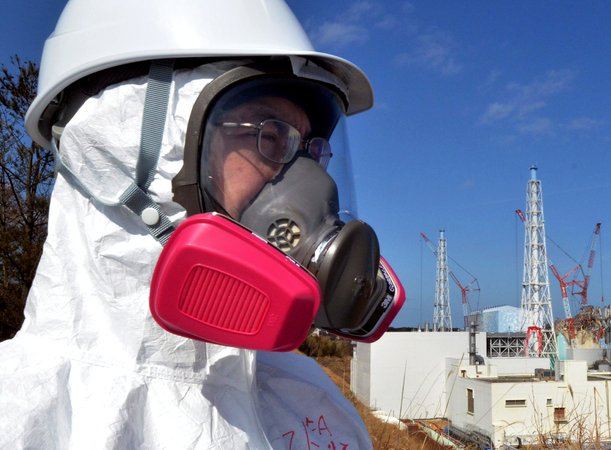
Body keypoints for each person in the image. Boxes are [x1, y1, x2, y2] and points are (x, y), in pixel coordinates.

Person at [0, 0, 403, 448]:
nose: (311, 183)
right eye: (271, 136)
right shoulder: (20, 420)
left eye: (311, 150)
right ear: (115, 150)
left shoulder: (316, 408)